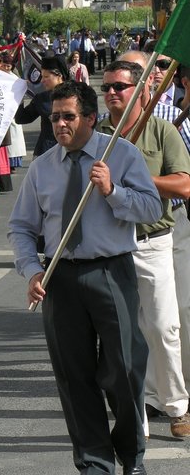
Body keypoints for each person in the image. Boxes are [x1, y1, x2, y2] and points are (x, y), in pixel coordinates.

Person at [9, 80, 162, 475]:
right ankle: (94, 462)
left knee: (125, 370)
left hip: (111, 270)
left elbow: (150, 209)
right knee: (74, 377)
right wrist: (32, 270)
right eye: (55, 117)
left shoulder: (121, 155)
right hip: (61, 277)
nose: (60, 124)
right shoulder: (43, 167)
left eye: (68, 116)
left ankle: (132, 455)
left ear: (90, 119)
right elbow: (22, 227)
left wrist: (112, 190)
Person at [96, 60, 190, 439]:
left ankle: (178, 407)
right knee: (120, 334)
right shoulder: (96, 134)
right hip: (109, 245)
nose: (113, 94)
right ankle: (135, 415)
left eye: (120, 87)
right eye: (107, 88)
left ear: (140, 90)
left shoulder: (162, 131)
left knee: (163, 326)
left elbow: (183, 185)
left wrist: (136, 178)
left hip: (153, 243)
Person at [15, 55, 68, 157]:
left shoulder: (76, 94)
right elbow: (22, 119)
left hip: (71, 151)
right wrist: (19, 96)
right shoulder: (41, 98)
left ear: (59, 75)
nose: (42, 80)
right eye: (42, 76)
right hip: (45, 152)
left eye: (46, 77)